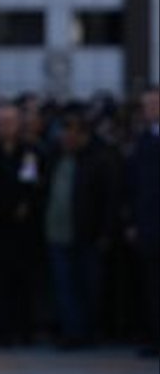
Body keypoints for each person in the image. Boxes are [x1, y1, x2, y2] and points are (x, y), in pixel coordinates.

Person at [42, 105, 120, 349]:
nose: (67, 138)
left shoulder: (100, 160)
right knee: (64, 286)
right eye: (65, 133)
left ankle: (87, 331)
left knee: (88, 286)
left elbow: (110, 200)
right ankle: (71, 331)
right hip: (57, 232)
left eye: (73, 133)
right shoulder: (55, 157)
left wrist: (106, 232)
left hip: (87, 234)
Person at [0, 101, 45, 347]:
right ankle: (0, 330)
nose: (6, 127)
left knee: (24, 281)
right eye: (1, 122)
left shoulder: (30, 151)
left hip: (24, 229)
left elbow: (35, 184)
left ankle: (25, 329)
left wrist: (26, 204)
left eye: (11, 122)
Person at [125, 86, 160, 356]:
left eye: (152, 104)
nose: (147, 110)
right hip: (148, 224)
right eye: (145, 105)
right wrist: (133, 222)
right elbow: (135, 183)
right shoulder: (144, 138)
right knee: (150, 285)